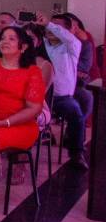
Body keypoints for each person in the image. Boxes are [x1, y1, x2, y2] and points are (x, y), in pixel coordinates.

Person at [0, 25, 44, 183]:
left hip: (18, 125)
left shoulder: (32, 71)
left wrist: (4, 122)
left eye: (11, 39)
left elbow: (34, 109)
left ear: (23, 46)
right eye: (2, 38)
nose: (5, 42)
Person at [42, 13, 87, 168]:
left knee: (76, 112)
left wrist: (49, 23)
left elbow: (69, 38)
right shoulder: (41, 44)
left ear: (67, 31)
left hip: (60, 98)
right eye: (49, 25)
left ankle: (76, 154)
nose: (50, 28)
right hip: (38, 97)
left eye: (57, 26)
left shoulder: (72, 46)